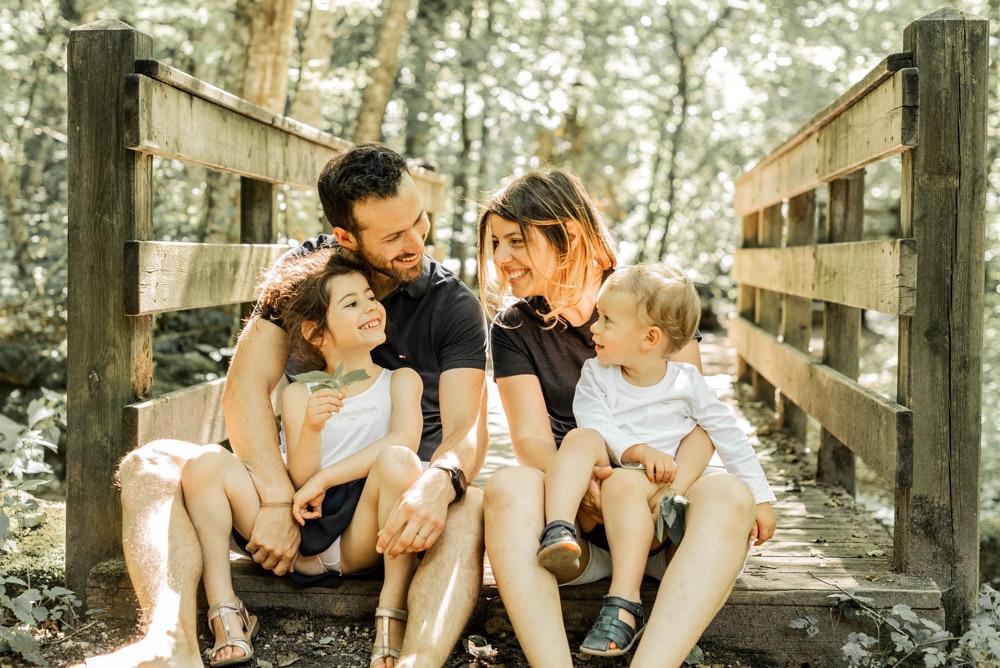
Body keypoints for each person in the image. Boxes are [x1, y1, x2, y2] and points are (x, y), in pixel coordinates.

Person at [78, 143, 489, 668]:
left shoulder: (453, 306)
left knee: (467, 499)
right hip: (293, 495)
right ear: (346, 238)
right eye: (392, 236)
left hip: (386, 517)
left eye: (419, 221)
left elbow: (465, 433)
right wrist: (275, 501)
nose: (416, 243)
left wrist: (438, 482)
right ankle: (168, 642)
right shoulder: (305, 275)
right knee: (149, 464)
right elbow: (246, 389)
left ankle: (416, 660)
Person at [477, 169, 777, 668]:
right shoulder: (513, 326)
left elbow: (700, 422)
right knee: (507, 488)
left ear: (567, 235)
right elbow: (530, 439)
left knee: (729, 493)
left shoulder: (644, 294)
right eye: (496, 243)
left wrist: (664, 492)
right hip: (578, 526)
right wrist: (591, 496)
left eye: (516, 241)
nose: (502, 258)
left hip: (664, 520)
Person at [180, 249, 424, 667]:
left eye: (370, 296)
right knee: (204, 464)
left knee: (400, 460)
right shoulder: (299, 393)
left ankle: (392, 611)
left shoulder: (401, 381)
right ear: (315, 333)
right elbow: (300, 477)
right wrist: (310, 430)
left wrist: (326, 480)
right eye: (352, 303)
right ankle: (225, 609)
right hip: (297, 535)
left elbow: (403, 439)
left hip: (356, 539)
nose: (371, 307)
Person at [536, 263, 775, 657]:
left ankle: (624, 603)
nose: (594, 327)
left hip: (661, 498)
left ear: (649, 337)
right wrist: (638, 452)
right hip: (612, 478)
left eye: (607, 320)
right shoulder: (597, 373)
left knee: (630, 484)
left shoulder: (687, 382)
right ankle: (559, 530)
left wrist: (761, 499)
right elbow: (594, 421)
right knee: (580, 438)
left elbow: (727, 434)